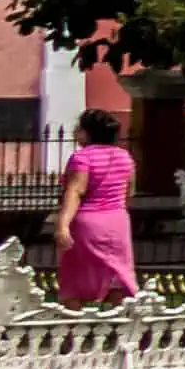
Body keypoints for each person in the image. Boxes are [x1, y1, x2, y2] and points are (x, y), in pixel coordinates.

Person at [48, 108, 135, 305]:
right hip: (117, 221)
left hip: (88, 222)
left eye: (79, 128)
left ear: (88, 132)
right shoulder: (125, 157)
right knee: (117, 276)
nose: (75, 132)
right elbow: (129, 192)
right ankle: (121, 325)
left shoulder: (82, 158)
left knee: (74, 276)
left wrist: (62, 225)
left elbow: (75, 191)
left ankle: (73, 326)